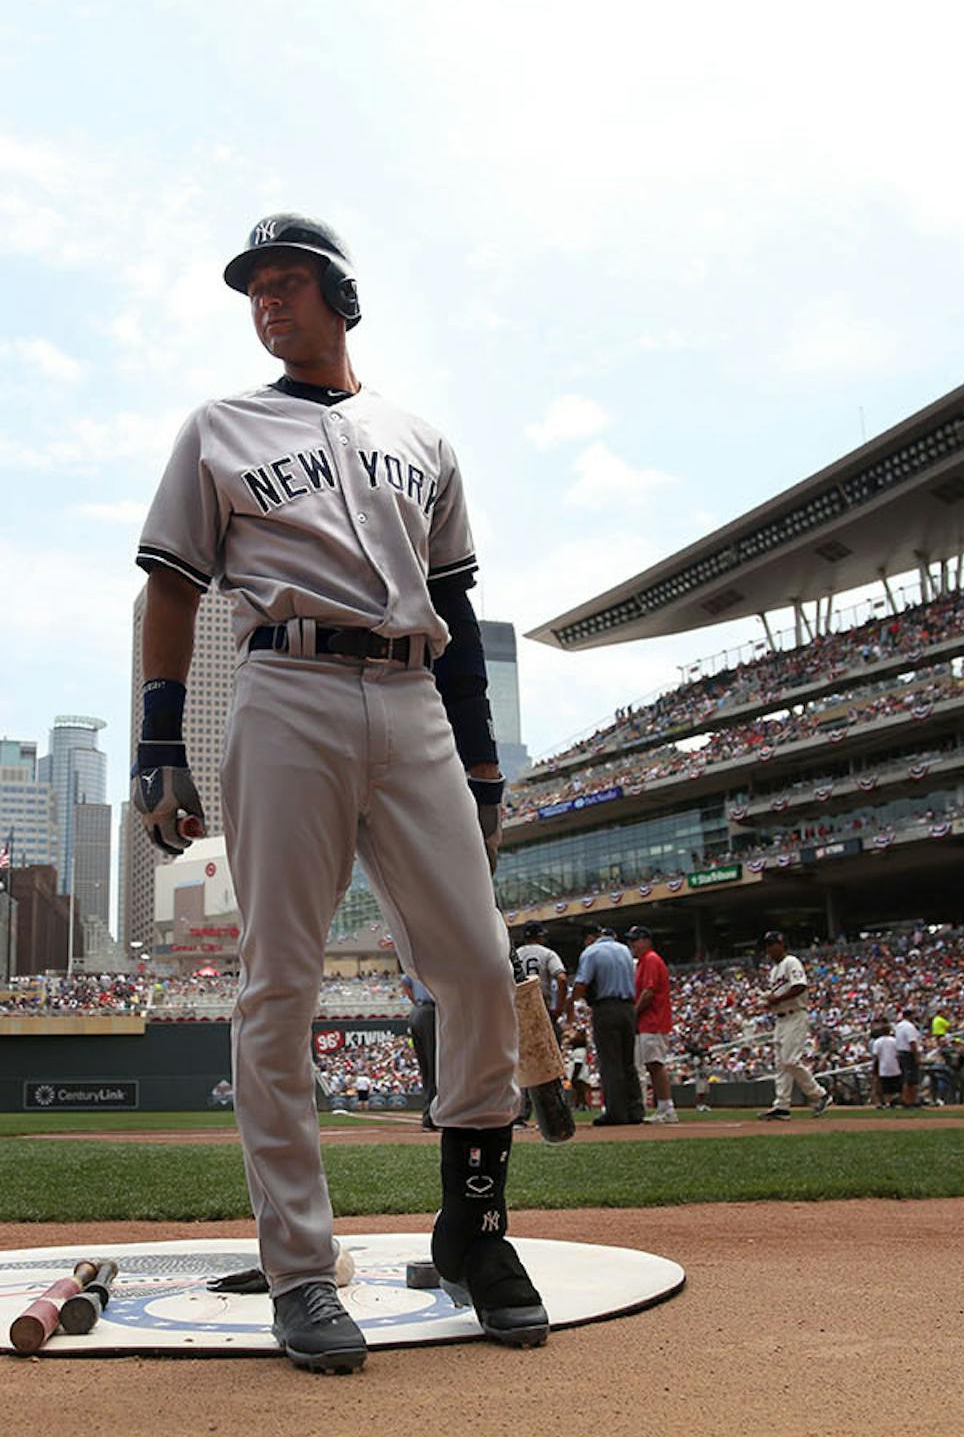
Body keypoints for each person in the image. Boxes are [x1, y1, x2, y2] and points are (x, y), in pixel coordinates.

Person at [132, 212, 543, 1373]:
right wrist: (160, 742)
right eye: (253, 286)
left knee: (474, 961)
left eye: (288, 280)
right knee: (281, 983)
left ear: (341, 296)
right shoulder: (220, 426)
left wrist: (482, 761)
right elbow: (171, 582)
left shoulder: (422, 437)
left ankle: (474, 1228)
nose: (268, 300)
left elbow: (455, 611)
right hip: (285, 688)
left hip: (413, 702)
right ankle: (302, 1271)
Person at [574, 926, 643, 1125]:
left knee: (610, 1062)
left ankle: (616, 1112)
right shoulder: (624, 951)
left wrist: (571, 1003)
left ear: (591, 938)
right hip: (628, 1008)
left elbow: (582, 983)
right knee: (628, 1062)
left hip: (605, 1008)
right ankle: (635, 1110)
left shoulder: (592, 952)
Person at [758, 931, 831, 1120]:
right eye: (767, 945)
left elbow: (800, 987)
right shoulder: (774, 970)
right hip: (781, 1019)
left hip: (796, 1015)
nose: (770, 948)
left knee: (790, 1060)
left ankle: (820, 1094)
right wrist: (769, 1001)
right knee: (781, 1065)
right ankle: (781, 1106)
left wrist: (777, 999)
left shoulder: (791, 962)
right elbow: (779, 994)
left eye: (773, 944)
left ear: (782, 945)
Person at [626, 926, 676, 1124]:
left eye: (635, 940)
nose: (632, 945)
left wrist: (634, 1013)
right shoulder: (643, 962)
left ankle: (667, 1108)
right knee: (651, 1064)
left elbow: (648, 992)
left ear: (646, 940)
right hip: (647, 1021)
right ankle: (663, 1107)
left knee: (655, 1064)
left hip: (653, 1020)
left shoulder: (651, 959)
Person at [404, 971, 438, 1132]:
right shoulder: (437, 961)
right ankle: (433, 1117)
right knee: (435, 1066)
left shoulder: (417, 960)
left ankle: (429, 1115)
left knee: (427, 1068)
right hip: (431, 1011)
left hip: (418, 1010)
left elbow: (406, 983)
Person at [892, 1009, 923, 1108]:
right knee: (911, 1080)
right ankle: (910, 1101)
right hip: (908, 1053)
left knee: (905, 1078)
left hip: (900, 1052)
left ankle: (905, 1100)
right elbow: (912, 1042)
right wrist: (916, 1056)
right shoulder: (909, 1026)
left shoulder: (898, 1026)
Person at [869, 1022, 900, 1108]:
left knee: (884, 1087)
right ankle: (888, 1102)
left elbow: (875, 1055)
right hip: (893, 1065)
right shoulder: (894, 1040)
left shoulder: (878, 1042)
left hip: (882, 1065)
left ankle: (885, 1103)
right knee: (891, 1086)